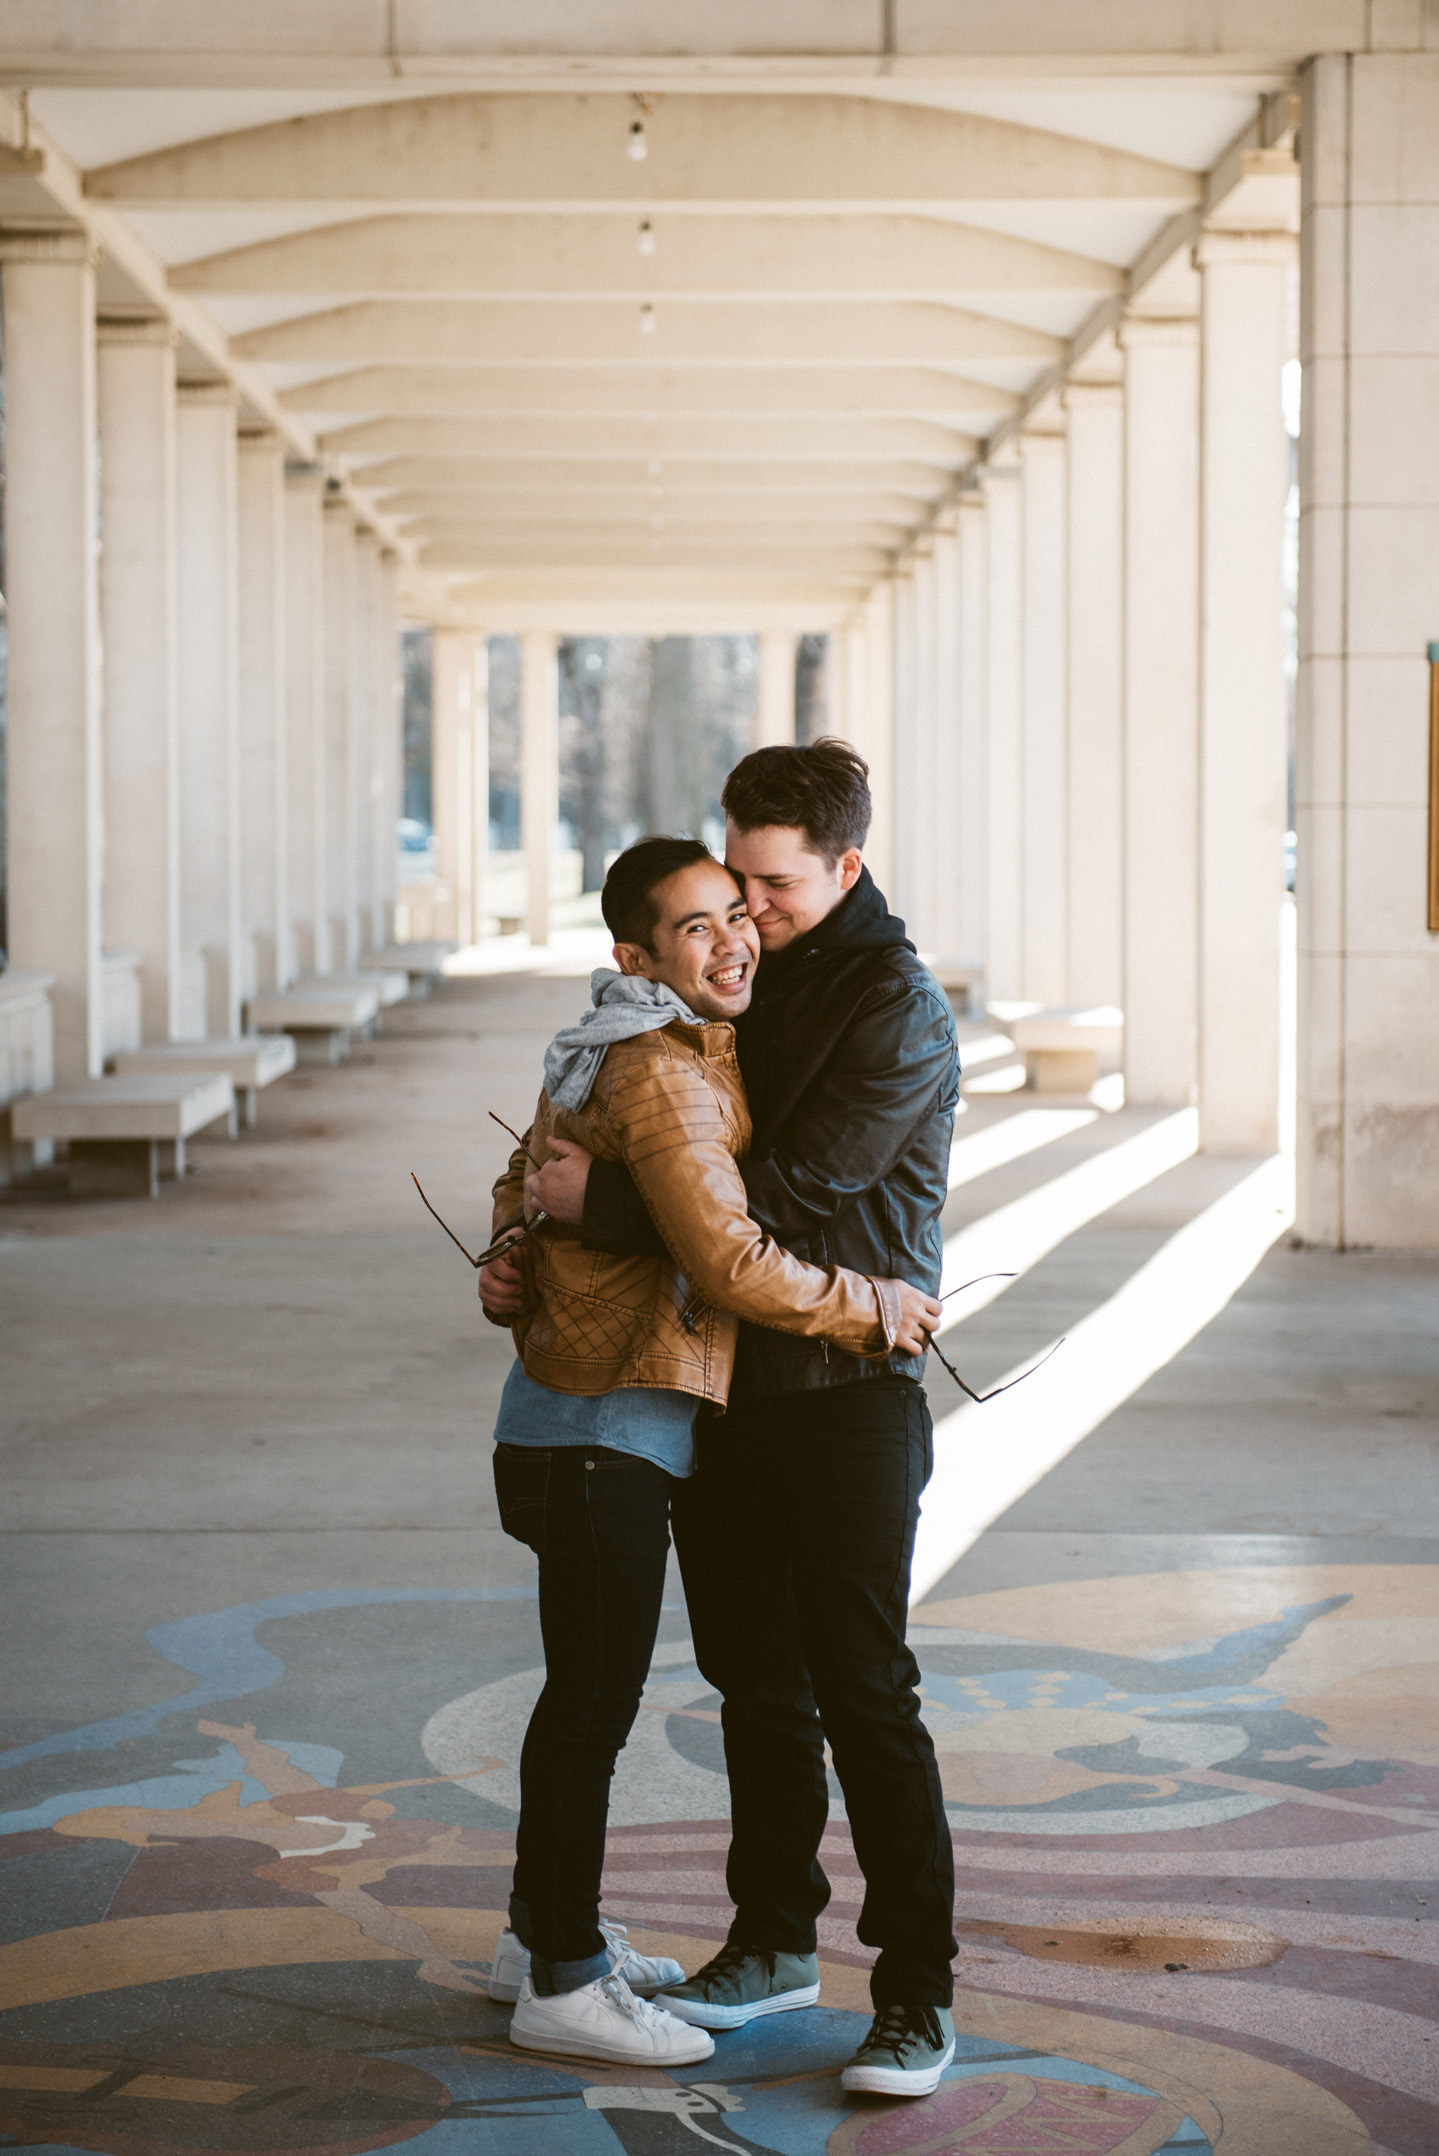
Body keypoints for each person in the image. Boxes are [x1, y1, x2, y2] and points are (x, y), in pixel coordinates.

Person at [520, 741, 962, 2099]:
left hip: (848, 1395)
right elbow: (635, 1125)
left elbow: (774, 1198)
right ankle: (772, 1942)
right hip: (726, 1392)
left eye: (770, 888)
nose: (748, 917)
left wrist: (590, 1207)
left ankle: (916, 1995)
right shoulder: (736, 985)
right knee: (754, 1690)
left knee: (866, 1690)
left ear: (848, 867)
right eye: (731, 890)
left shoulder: (896, 1007)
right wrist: (528, 1225)